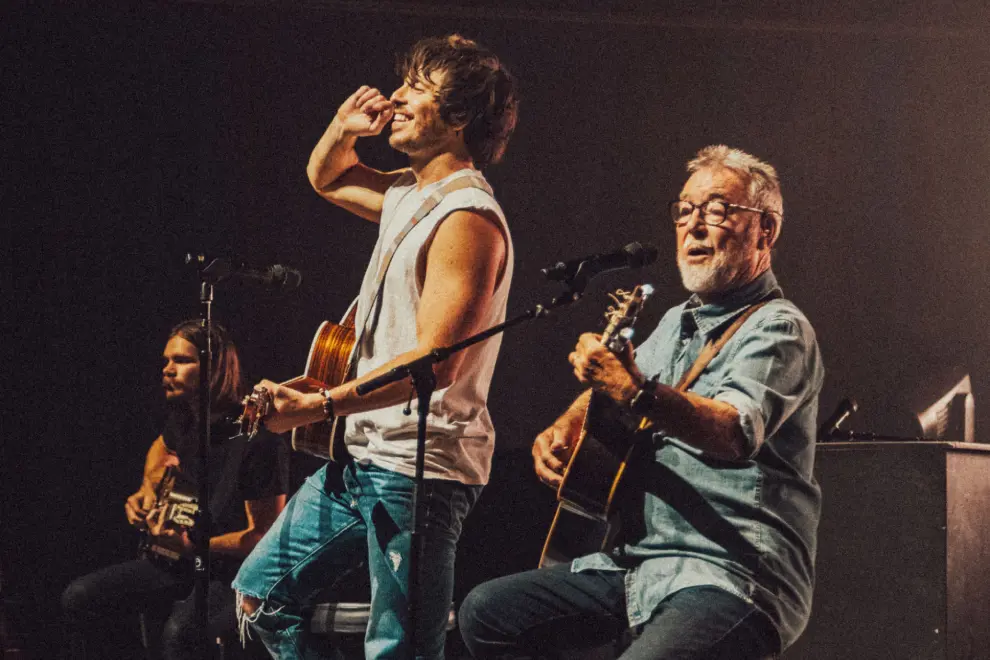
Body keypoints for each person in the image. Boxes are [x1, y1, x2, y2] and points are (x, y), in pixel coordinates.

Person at [458, 146, 824, 659]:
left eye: (717, 210)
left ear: (766, 230)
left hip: (732, 577)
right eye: (685, 210)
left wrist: (637, 390)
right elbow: (607, 388)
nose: (694, 225)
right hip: (642, 567)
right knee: (487, 613)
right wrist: (562, 428)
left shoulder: (779, 328)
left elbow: (736, 430)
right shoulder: (677, 322)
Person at [232, 34, 518, 659]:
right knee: (260, 596)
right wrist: (342, 127)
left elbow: (436, 363)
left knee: (399, 649)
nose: (396, 97)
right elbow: (326, 177)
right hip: (364, 455)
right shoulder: (408, 195)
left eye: (418, 87)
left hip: (420, 472)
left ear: (461, 115)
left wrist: (317, 406)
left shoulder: (466, 216)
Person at [61, 320, 290, 659]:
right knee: (79, 598)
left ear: (216, 367)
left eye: (182, 361)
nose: (168, 370)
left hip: (230, 573)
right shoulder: (186, 418)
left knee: (180, 634)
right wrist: (147, 490)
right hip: (180, 561)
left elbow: (264, 537)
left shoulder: (258, 438)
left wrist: (193, 546)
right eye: (166, 361)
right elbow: (161, 447)